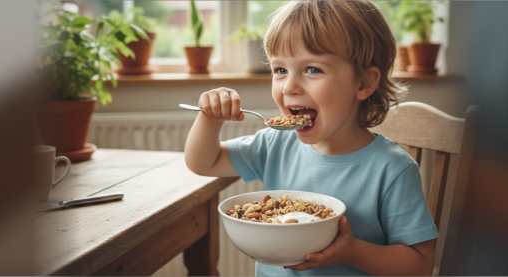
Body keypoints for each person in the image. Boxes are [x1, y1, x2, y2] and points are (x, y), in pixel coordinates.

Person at [183, 1, 437, 276]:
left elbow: (419, 265)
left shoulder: (392, 169)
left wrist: (352, 251)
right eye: (280, 70)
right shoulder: (275, 144)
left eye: (313, 69)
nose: (289, 86)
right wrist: (209, 120)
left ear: (363, 83)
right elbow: (203, 163)